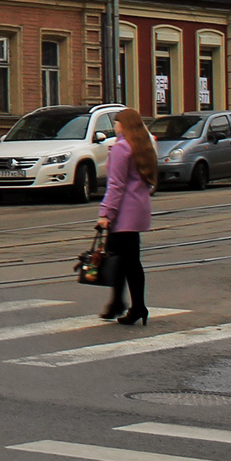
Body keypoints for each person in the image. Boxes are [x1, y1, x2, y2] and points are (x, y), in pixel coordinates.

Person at [97, 105, 159, 326]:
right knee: (126, 260)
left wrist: (106, 213)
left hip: (123, 213)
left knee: (124, 260)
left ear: (124, 125)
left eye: (116, 123)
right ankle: (121, 304)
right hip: (137, 210)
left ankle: (134, 306)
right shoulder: (141, 145)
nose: (115, 127)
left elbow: (116, 185)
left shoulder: (122, 148)